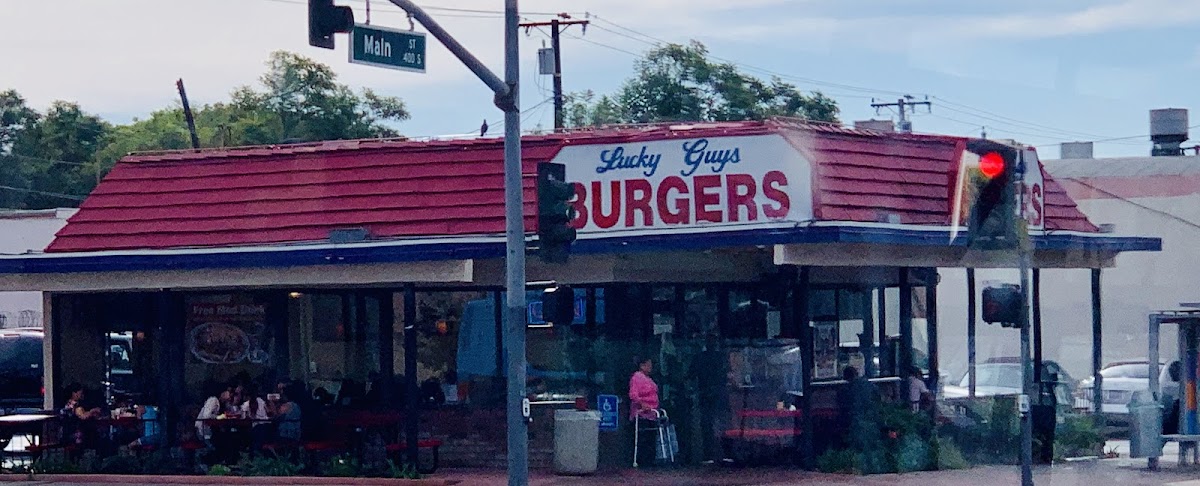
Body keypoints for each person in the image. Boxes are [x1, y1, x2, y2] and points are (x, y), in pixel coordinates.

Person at [629, 357, 661, 467]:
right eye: (648, 365)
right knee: (643, 439)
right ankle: (642, 461)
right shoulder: (637, 377)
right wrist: (642, 404)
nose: (650, 367)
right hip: (642, 413)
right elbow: (633, 394)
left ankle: (650, 461)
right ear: (642, 365)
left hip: (652, 413)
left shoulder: (649, 379)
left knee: (651, 437)